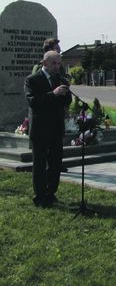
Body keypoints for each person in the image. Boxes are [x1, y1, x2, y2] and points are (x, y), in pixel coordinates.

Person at [25, 51, 72, 207]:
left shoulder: (60, 79)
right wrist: (53, 94)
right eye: (54, 63)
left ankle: (51, 193)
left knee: (55, 164)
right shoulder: (32, 80)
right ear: (44, 63)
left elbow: (66, 101)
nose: (57, 66)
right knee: (39, 165)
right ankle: (39, 196)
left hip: (56, 128)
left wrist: (66, 93)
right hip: (40, 129)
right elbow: (34, 102)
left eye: (59, 63)